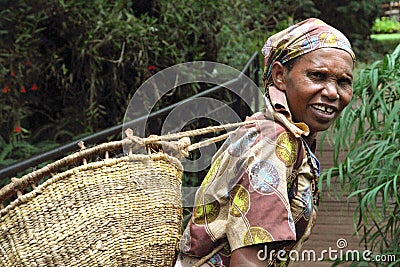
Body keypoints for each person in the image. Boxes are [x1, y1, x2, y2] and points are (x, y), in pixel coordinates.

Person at [175, 18, 355, 267]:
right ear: (280, 76)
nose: (333, 92)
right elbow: (249, 261)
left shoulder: (285, 133)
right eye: (317, 76)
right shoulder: (272, 143)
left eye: (343, 82)